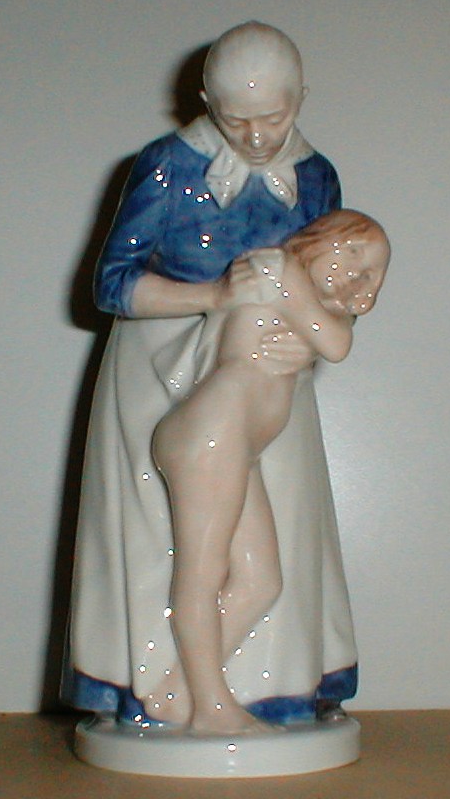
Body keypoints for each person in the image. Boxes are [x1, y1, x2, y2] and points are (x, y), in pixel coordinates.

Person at [63, 21, 358, 730]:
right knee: (167, 539)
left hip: (266, 368)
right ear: (205, 104)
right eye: (236, 120)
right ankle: (166, 692)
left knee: (276, 539)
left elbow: (331, 291)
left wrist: (306, 342)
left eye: (274, 118)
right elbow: (112, 284)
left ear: (302, 99)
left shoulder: (316, 175)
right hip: (163, 358)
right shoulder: (167, 165)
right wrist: (214, 295)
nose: (256, 137)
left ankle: (250, 687)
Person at [151, 210, 389, 733]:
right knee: (203, 573)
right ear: (320, 239)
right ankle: (212, 708)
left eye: (372, 271)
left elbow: (327, 329)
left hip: (238, 444)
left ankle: (175, 695)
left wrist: (339, 313)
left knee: (261, 581)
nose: (356, 273)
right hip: (213, 431)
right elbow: (336, 343)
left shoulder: (296, 294)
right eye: (352, 252)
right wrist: (331, 322)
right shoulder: (276, 267)